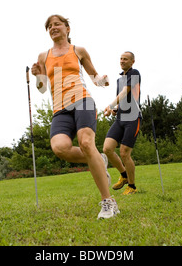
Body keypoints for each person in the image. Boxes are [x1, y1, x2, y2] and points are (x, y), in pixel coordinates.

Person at [31, 14, 119, 219]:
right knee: (60, 148)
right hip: (60, 108)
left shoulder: (78, 50)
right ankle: (100, 158)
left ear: (67, 29)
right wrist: (37, 76)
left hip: (82, 101)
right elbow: (43, 89)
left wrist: (103, 81)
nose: (53, 28)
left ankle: (108, 202)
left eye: (57, 24)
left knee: (86, 143)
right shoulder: (43, 56)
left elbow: (94, 76)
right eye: (50, 26)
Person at [103, 51, 142, 195]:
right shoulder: (119, 80)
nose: (122, 61)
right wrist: (113, 109)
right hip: (120, 118)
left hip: (133, 117)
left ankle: (132, 186)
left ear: (132, 61)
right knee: (107, 149)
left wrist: (110, 104)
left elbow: (126, 92)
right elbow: (121, 99)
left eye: (125, 59)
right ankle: (124, 175)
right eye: (121, 59)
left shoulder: (135, 73)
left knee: (124, 153)